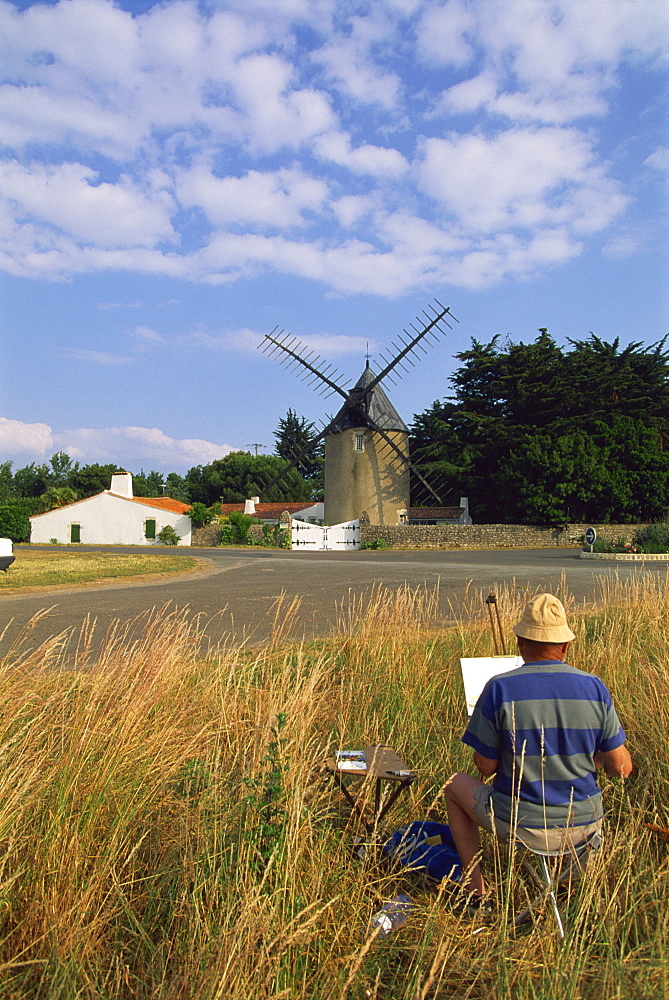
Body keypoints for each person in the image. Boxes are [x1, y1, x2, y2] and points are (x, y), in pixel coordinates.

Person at [443, 593, 633, 905]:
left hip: (522, 825)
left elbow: (486, 767)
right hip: (584, 827)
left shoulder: (498, 688)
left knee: (453, 785)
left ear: (519, 642)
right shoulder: (594, 687)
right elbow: (619, 768)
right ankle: (568, 886)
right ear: (566, 645)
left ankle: (478, 891)